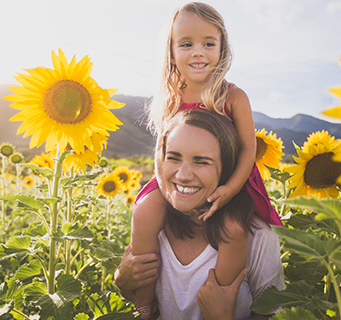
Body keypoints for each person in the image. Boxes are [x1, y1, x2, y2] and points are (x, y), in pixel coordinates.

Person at [130, 2, 283, 318]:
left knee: (232, 228)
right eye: (186, 44)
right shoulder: (171, 97)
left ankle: (222, 299)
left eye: (208, 43)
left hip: (231, 181)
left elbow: (247, 149)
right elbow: (162, 153)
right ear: (171, 52)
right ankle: (144, 306)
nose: (197, 52)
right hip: (174, 181)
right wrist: (166, 189)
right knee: (144, 210)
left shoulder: (233, 96)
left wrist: (229, 190)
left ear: (222, 48)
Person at [115, 110, 285, 320]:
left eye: (201, 162)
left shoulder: (258, 236)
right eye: (174, 158)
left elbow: (271, 314)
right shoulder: (153, 224)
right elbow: (148, 309)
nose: (183, 175)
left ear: (228, 169)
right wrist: (123, 284)